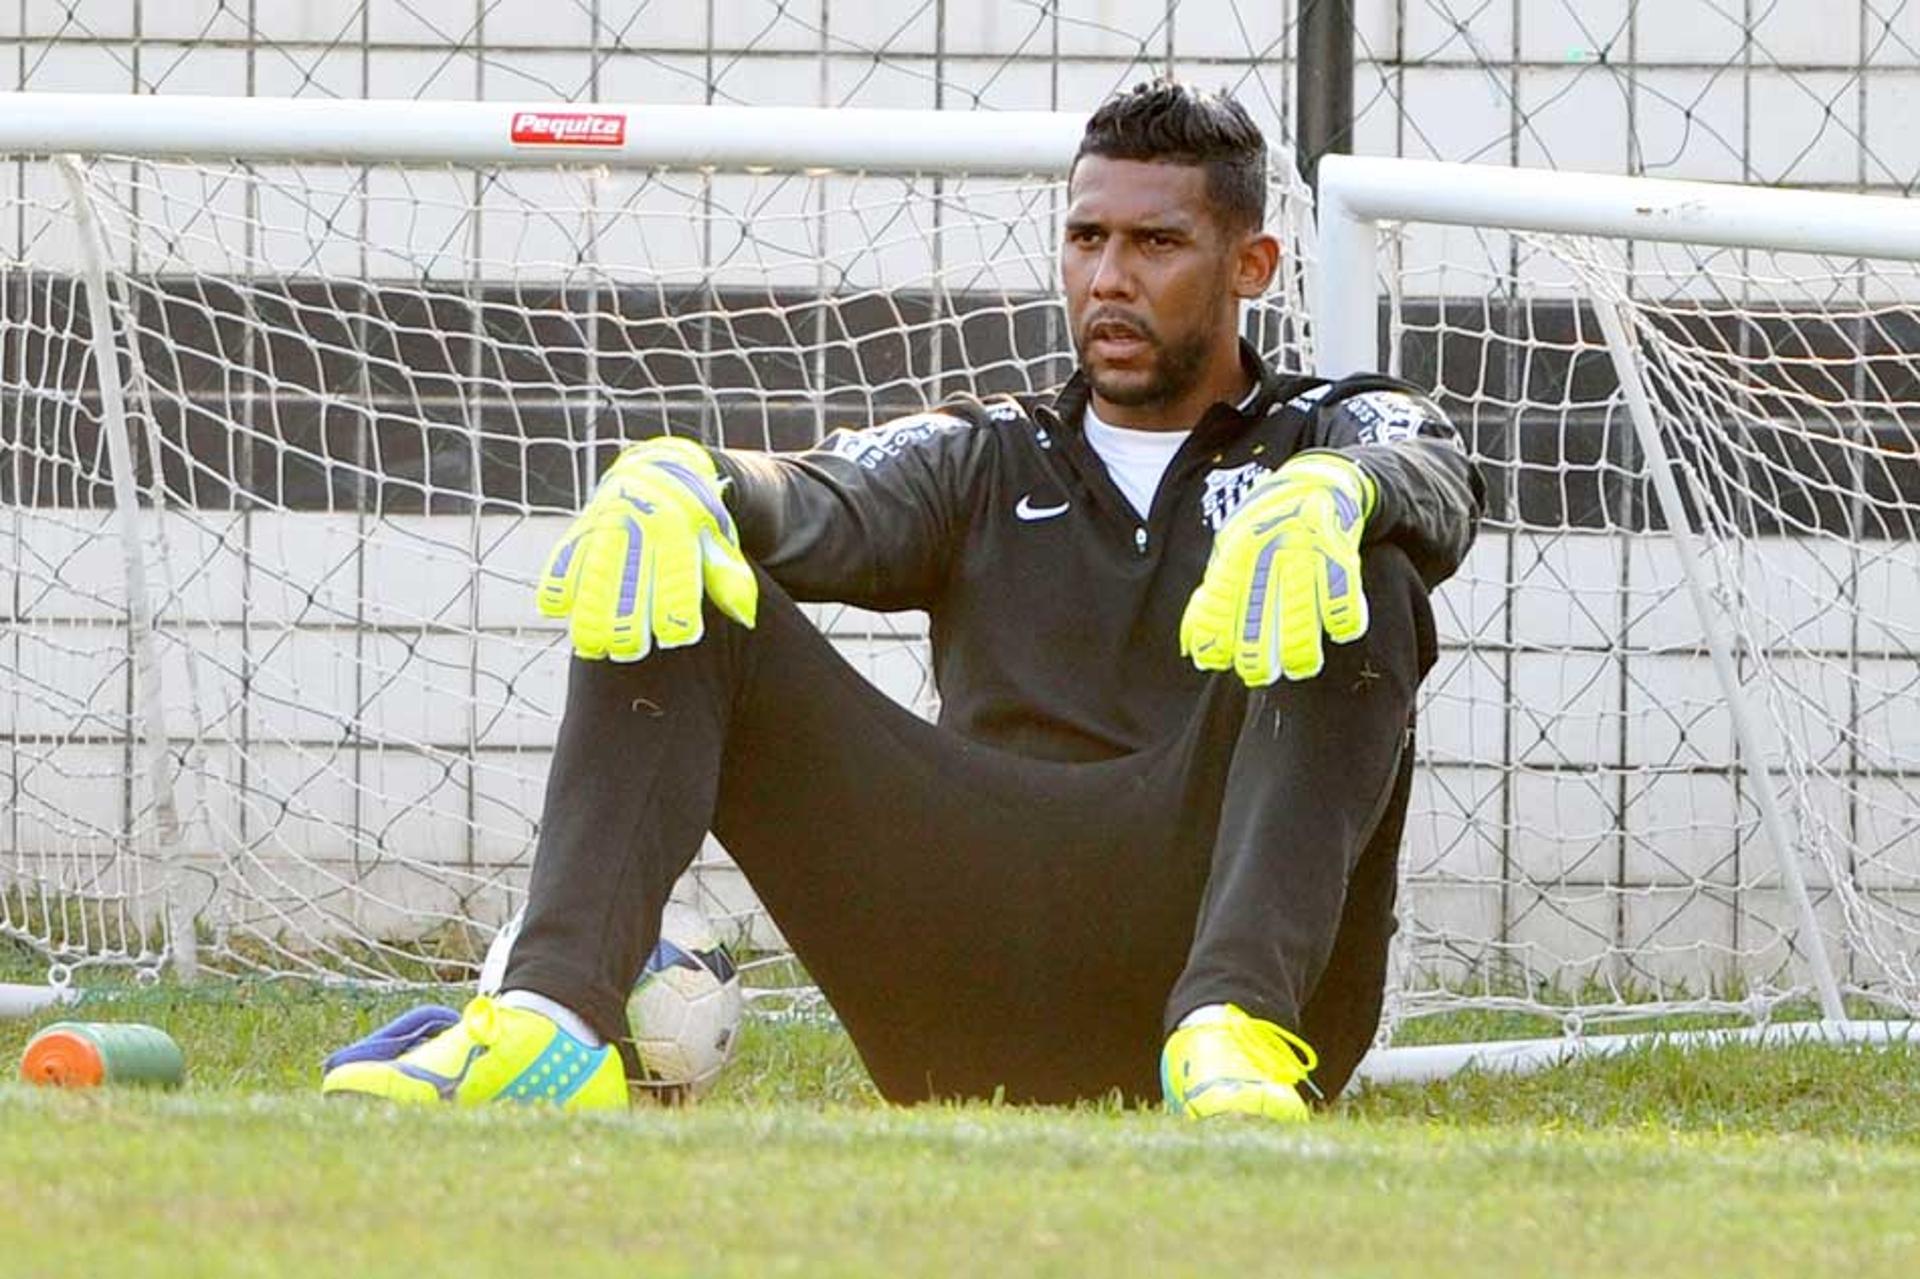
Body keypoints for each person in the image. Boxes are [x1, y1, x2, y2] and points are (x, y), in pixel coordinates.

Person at [322, 80, 1484, 1120]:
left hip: (1220, 963)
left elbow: (1434, 471)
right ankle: (553, 1023)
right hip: (971, 971)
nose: (1110, 277)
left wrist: (1338, 490)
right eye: (1085, 237)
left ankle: (1232, 1029)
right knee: (680, 553)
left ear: (1251, 265)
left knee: (1360, 562)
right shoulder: (985, 456)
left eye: (1156, 242)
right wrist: (698, 478)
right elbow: (815, 497)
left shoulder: (1327, 431)